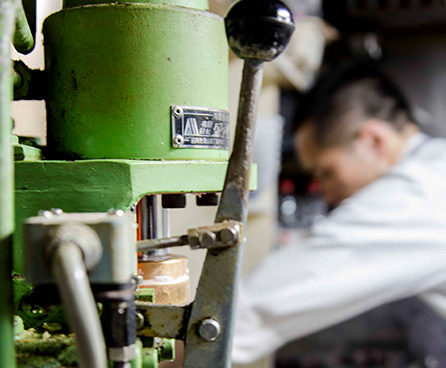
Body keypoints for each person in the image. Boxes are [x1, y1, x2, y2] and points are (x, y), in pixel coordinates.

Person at [232, 62, 446, 364]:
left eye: (327, 172)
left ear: (374, 140)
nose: (325, 191)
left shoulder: (420, 193)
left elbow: (254, 311)